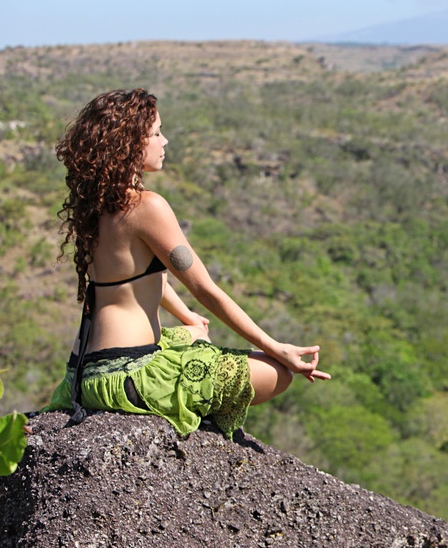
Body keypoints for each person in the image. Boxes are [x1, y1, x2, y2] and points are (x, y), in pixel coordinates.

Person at [45, 88, 330, 436]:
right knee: (277, 374)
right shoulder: (147, 206)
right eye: (156, 133)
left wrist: (186, 317)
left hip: (87, 372)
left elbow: (142, 277)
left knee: (196, 333)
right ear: (132, 143)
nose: (165, 141)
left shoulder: (97, 205)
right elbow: (206, 289)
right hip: (130, 373)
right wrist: (275, 347)